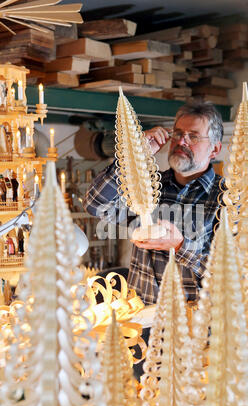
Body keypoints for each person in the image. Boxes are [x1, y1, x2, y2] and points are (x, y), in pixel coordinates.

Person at [83, 100, 224, 378]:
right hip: (142, 331)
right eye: (178, 133)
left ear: (215, 149)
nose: (181, 141)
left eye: (193, 136)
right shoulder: (148, 188)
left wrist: (181, 246)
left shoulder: (226, 200)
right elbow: (96, 205)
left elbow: (233, 276)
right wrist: (131, 157)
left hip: (197, 334)